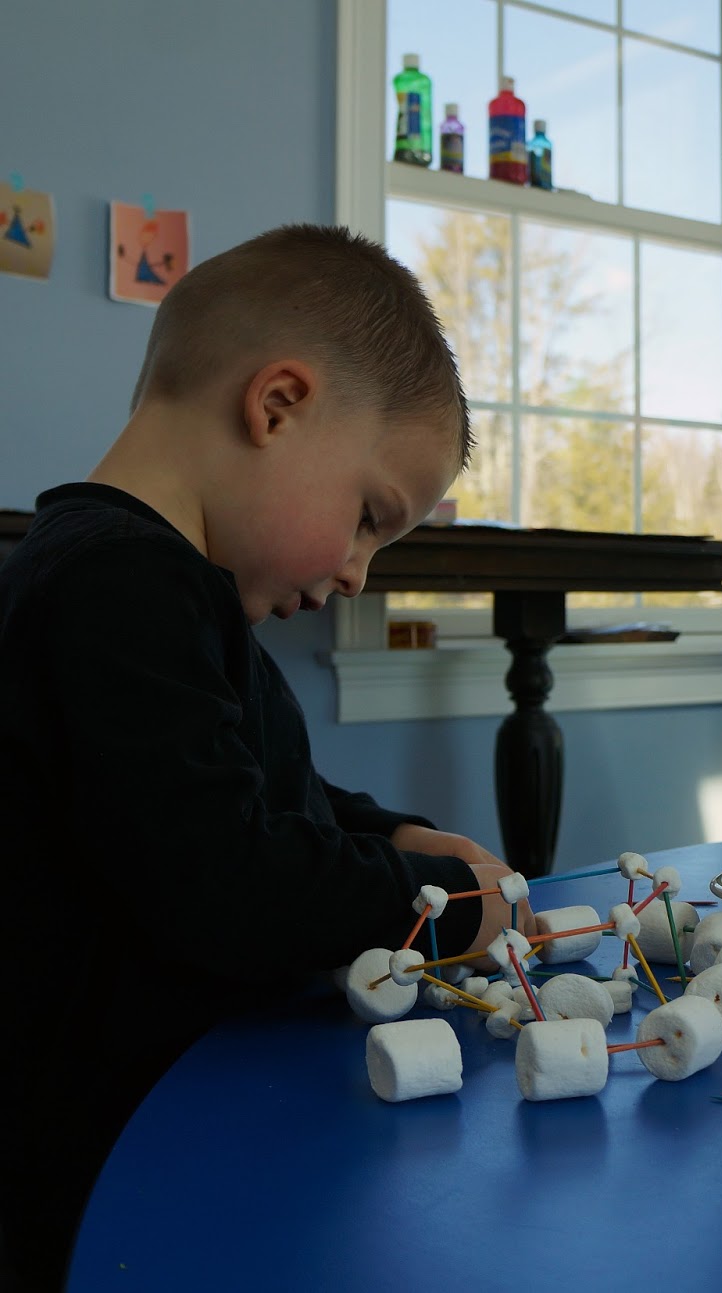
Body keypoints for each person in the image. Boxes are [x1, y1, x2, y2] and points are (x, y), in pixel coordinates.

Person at [0, 224, 529, 1291]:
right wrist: (445, 903)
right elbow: (227, 879)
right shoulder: (117, 591)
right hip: (97, 1166)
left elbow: (252, 784)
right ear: (276, 406)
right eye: (370, 518)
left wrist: (389, 833)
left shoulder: (156, 589)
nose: (356, 575)